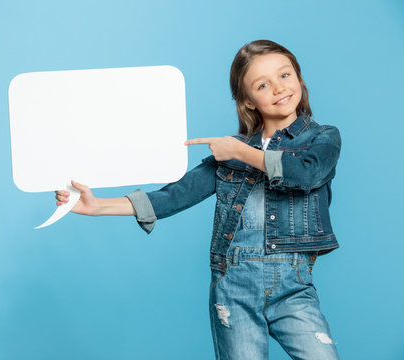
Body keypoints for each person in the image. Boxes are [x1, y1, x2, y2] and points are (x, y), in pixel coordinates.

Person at [55, 40, 341, 360]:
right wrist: (99, 206)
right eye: (263, 84)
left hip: (293, 287)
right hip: (233, 288)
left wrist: (241, 150)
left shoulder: (322, 137)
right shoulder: (229, 154)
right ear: (247, 100)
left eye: (285, 75)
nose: (278, 88)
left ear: (299, 78)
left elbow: (306, 174)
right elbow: (175, 195)